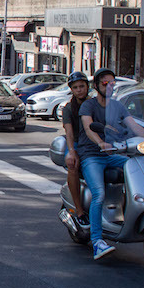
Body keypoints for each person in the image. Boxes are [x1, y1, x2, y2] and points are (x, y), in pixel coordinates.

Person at [78, 67, 144, 260]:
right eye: (105, 83)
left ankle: (126, 214)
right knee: (99, 194)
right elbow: (88, 127)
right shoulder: (89, 106)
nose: (109, 86)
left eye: (112, 83)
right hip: (92, 154)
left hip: (113, 153)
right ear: (97, 86)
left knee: (135, 166)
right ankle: (97, 242)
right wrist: (100, 142)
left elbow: (133, 125)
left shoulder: (117, 106)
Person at [62, 71, 91, 229]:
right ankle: (79, 211)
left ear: (87, 86)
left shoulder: (96, 104)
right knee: (72, 165)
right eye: (75, 87)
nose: (79, 90)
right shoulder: (68, 109)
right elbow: (69, 132)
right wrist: (72, 151)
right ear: (71, 90)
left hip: (95, 144)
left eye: (82, 86)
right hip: (79, 144)